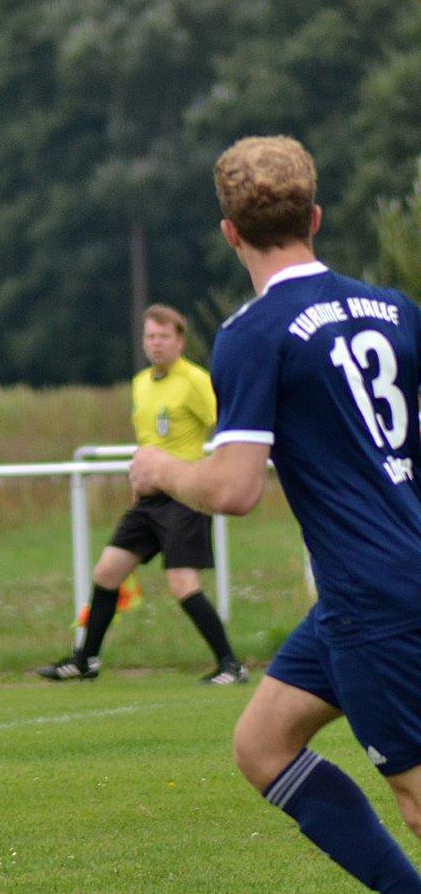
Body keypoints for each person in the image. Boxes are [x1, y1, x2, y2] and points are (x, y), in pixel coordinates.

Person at [130, 135, 421, 891]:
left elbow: (235, 489)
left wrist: (160, 468)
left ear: (230, 233)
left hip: (372, 594)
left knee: (416, 795)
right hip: (375, 584)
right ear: (315, 216)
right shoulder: (395, 310)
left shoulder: (253, 333)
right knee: (263, 744)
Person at [37, 304, 246, 685]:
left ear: (180, 342)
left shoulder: (195, 381)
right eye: (150, 336)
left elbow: (227, 425)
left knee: (183, 585)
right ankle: (86, 660)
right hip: (149, 502)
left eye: (164, 336)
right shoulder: (141, 383)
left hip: (185, 497)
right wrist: (139, 483)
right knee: (107, 573)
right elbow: (149, 442)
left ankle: (231, 665)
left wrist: (211, 475)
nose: (156, 343)